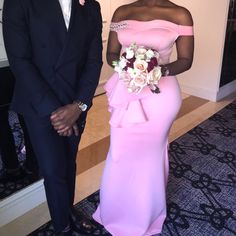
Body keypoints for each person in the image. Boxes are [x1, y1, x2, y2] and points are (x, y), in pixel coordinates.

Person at [93, 0, 194, 235]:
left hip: (161, 96)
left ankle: (145, 214)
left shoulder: (181, 14)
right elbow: (111, 53)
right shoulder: (122, 11)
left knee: (149, 156)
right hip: (126, 90)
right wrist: (127, 67)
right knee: (119, 152)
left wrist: (156, 71)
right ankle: (115, 211)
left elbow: (186, 60)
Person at [3, 0, 103, 235]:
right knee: (53, 171)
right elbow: (20, 60)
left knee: (69, 163)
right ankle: (63, 227)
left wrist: (79, 105)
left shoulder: (90, 6)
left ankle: (68, 211)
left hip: (75, 103)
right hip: (38, 104)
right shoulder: (19, 3)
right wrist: (57, 113)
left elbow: (93, 60)